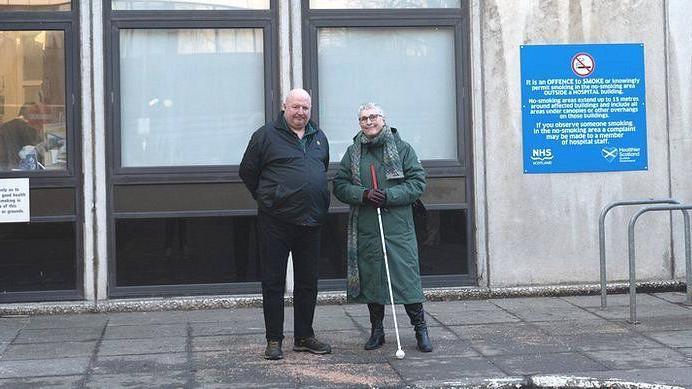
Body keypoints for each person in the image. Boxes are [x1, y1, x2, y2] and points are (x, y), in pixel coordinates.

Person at [239, 88, 332, 360]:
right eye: (295, 107)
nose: (300, 112)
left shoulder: (318, 138)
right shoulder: (265, 135)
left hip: (311, 221)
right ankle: (274, 340)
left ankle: (304, 336)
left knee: (308, 283)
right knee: (273, 282)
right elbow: (247, 171)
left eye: (305, 108)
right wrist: (268, 197)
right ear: (284, 107)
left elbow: (321, 168)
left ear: (310, 110)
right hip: (275, 222)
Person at [333, 102, 432, 353]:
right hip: (367, 226)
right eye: (364, 118)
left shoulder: (402, 148)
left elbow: (417, 183)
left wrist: (389, 196)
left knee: (406, 278)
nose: (369, 122)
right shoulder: (353, 152)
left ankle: (420, 329)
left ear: (383, 119)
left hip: (398, 227)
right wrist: (363, 194)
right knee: (373, 280)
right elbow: (340, 185)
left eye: (373, 117)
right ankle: (377, 331)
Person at [0, 104, 42, 171]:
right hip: (24, 168)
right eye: (35, 113)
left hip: (6, 168)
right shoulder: (29, 129)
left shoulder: (4, 127)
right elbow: (37, 149)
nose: (38, 116)